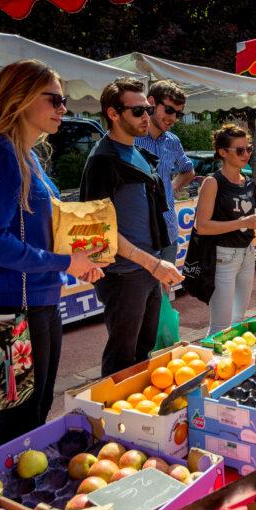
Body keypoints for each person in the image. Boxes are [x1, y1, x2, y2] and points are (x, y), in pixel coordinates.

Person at [0, 59, 105, 447]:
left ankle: (15, 490)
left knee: (36, 409)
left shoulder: (24, 155)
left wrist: (76, 263)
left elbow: (38, 234)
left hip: (38, 301)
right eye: (55, 99)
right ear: (21, 97)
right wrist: (64, 262)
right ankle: (5, 495)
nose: (64, 108)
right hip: (16, 307)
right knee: (20, 419)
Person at [81, 78, 183, 377]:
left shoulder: (135, 152)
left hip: (146, 269)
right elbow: (98, 228)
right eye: (138, 111)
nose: (146, 117)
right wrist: (151, 263)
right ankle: (111, 416)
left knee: (143, 352)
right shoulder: (102, 159)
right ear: (114, 113)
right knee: (121, 358)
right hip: (123, 273)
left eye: (147, 110)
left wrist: (155, 264)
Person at [193, 124, 256, 334]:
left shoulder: (248, 182)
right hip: (222, 256)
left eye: (248, 149)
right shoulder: (212, 182)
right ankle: (213, 365)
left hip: (246, 253)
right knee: (220, 325)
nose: (246, 154)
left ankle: (233, 364)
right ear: (222, 152)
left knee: (238, 320)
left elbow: (247, 218)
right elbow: (202, 226)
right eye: (239, 150)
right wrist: (244, 222)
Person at [136, 80, 195, 265]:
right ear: (151, 102)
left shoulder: (173, 141)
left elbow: (188, 171)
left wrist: (170, 187)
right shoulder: (130, 138)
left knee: (164, 291)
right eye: (169, 110)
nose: (173, 118)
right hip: (139, 234)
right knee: (142, 292)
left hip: (168, 231)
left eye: (179, 113)